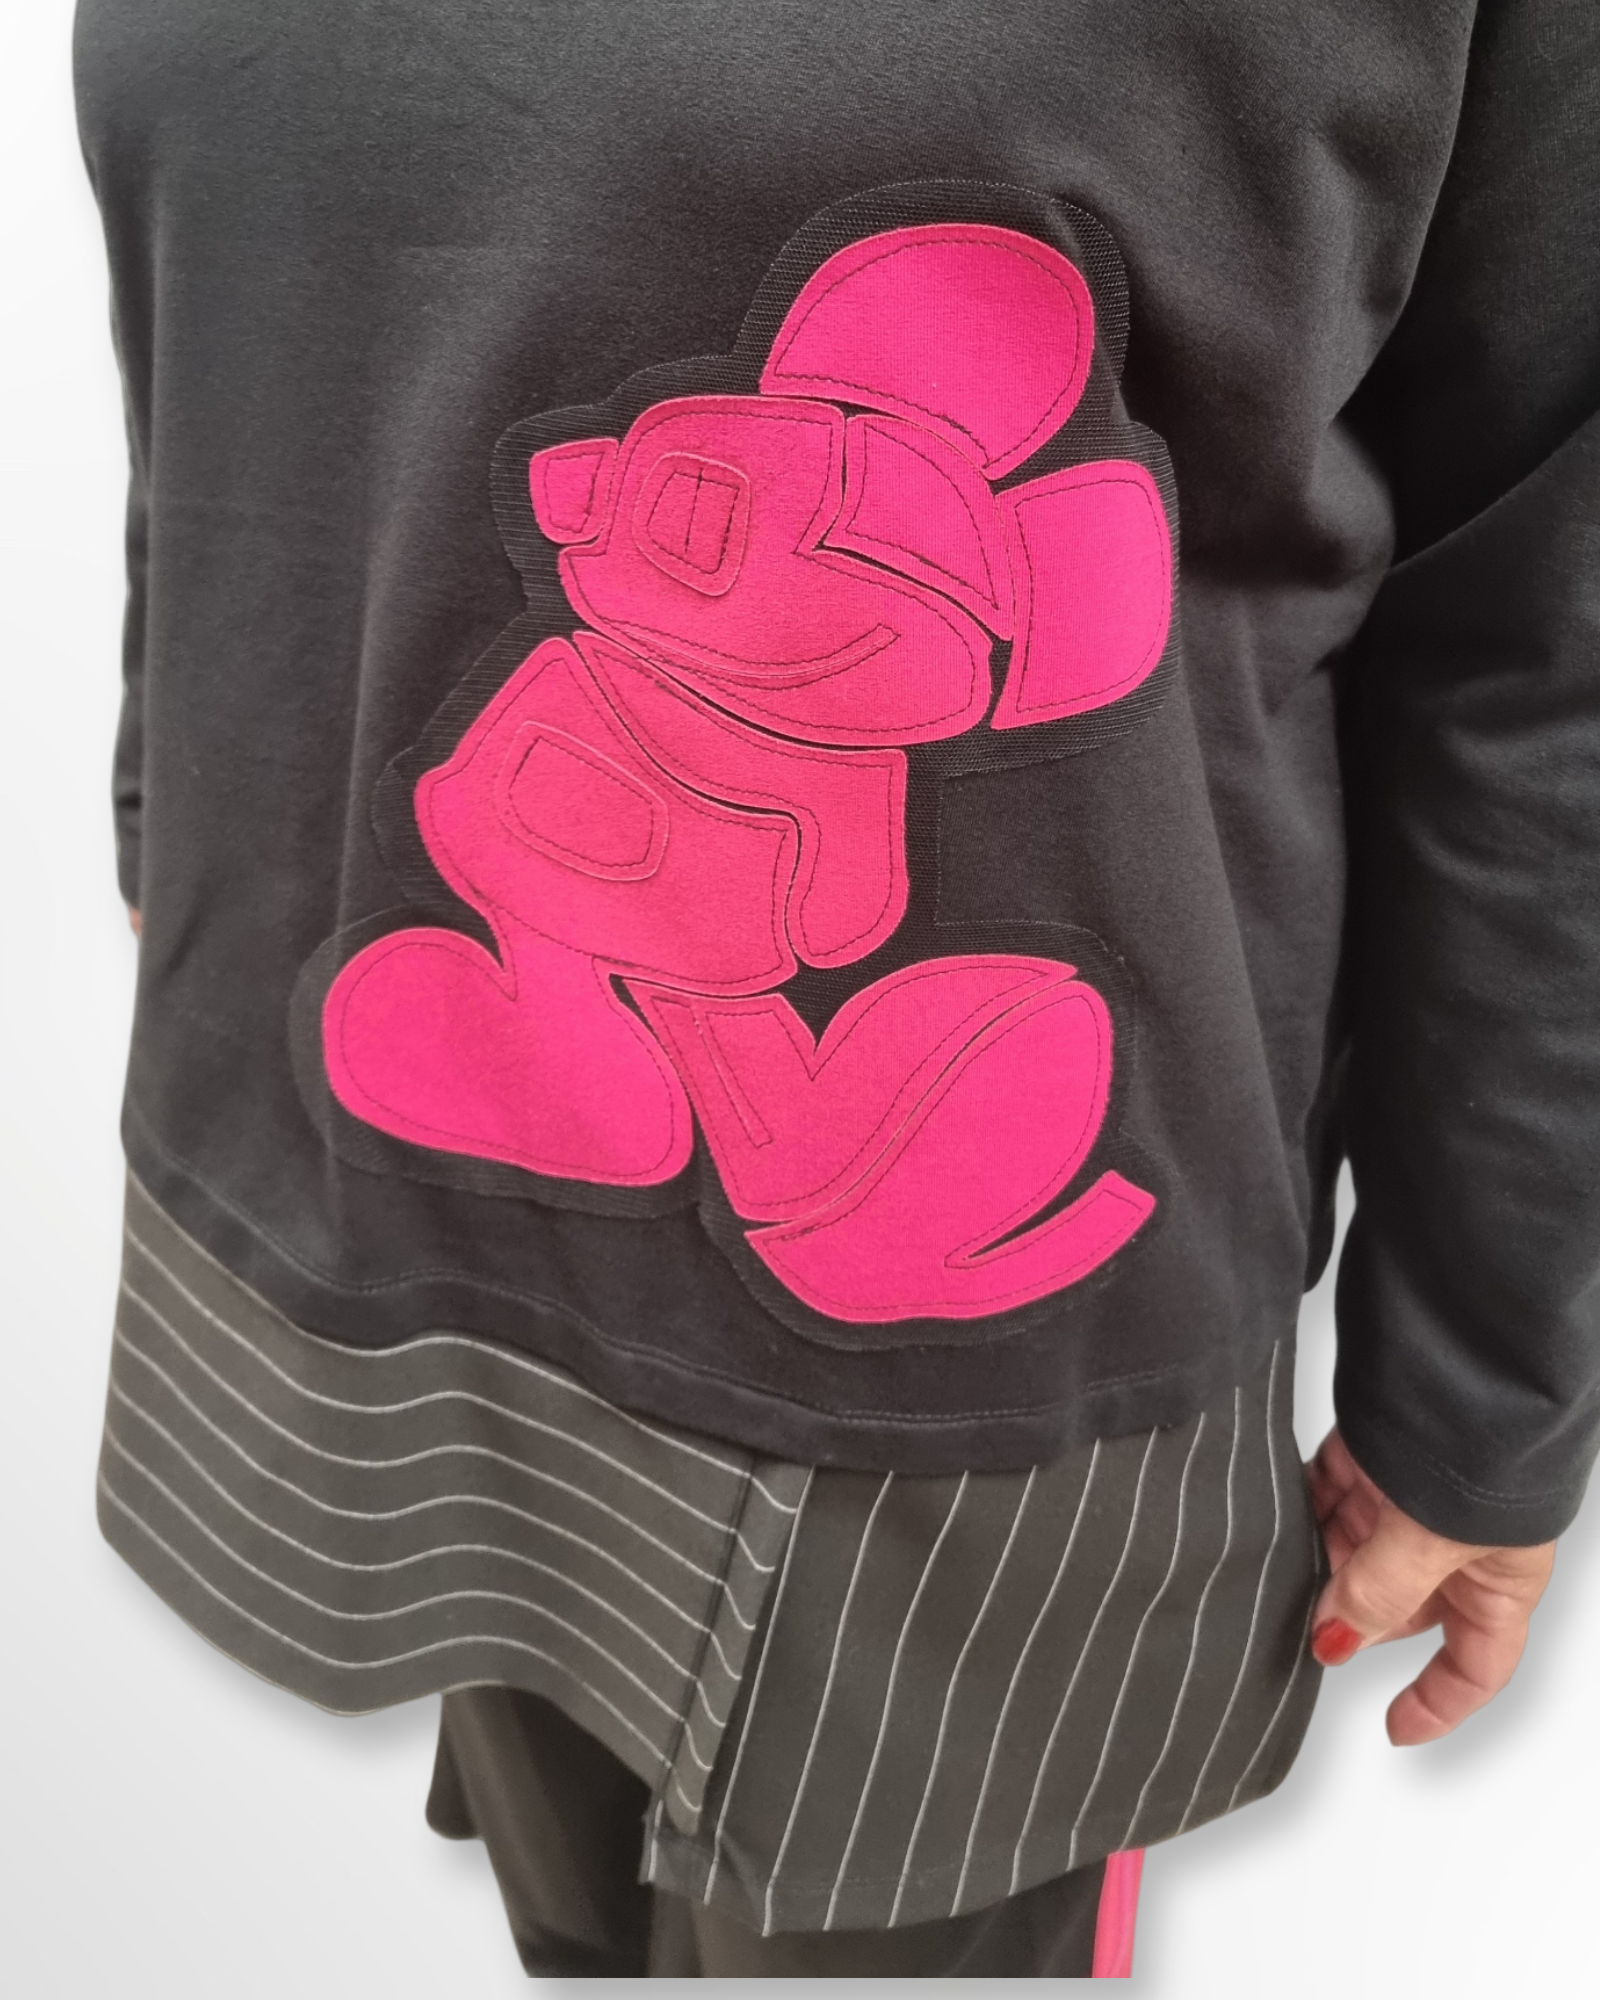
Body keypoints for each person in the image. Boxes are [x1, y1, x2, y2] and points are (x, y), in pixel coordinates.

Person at [77, 0, 1596, 1977]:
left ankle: (883, 1146)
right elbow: (222, 295)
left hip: (934, 1452)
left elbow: (1546, 614)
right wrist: (175, 800)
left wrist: (1476, 1367)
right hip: (370, 1193)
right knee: (575, 1932)